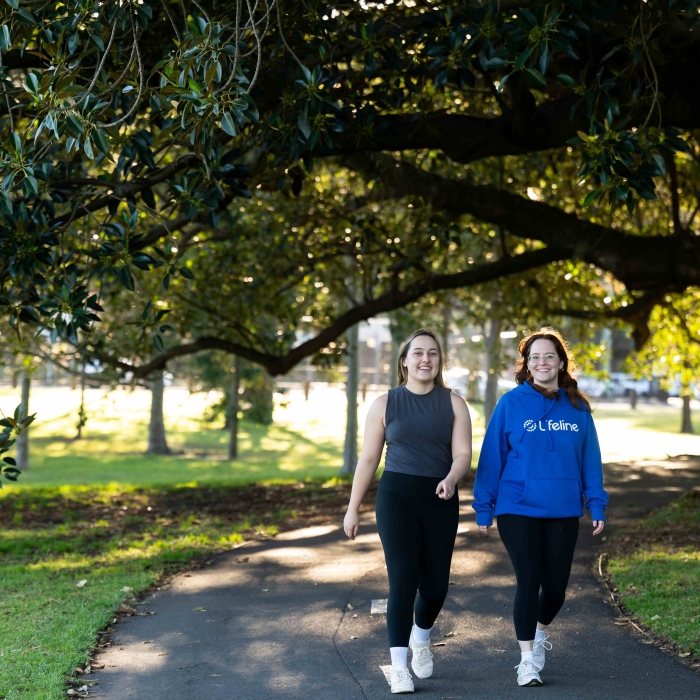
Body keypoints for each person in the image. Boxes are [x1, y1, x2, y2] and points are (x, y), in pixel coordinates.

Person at [473, 328, 608, 687]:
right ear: (526, 364)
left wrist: (596, 503)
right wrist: (483, 508)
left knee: (557, 589)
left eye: (549, 356)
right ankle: (527, 660)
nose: (542, 362)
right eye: (535, 357)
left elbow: (589, 460)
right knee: (528, 579)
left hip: (563, 507)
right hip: (516, 505)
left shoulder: (577, 407)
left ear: (561, 363)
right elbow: (491, 460)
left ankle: (537, 630)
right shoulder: (510, 403)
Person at [343, 328, 472, 694]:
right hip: (396, 496)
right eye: (417, 353)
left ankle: (421, 635)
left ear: (439, 361)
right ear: (404, 361)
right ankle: (399, 667)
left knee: (435, 587)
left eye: (432, 353)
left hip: (440, 497)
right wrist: (353, 510)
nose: (425, 359)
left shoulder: (454, 403)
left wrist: (450, 478)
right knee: (402, 580)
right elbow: (369, 459)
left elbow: (463, 453)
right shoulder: (385, 403)